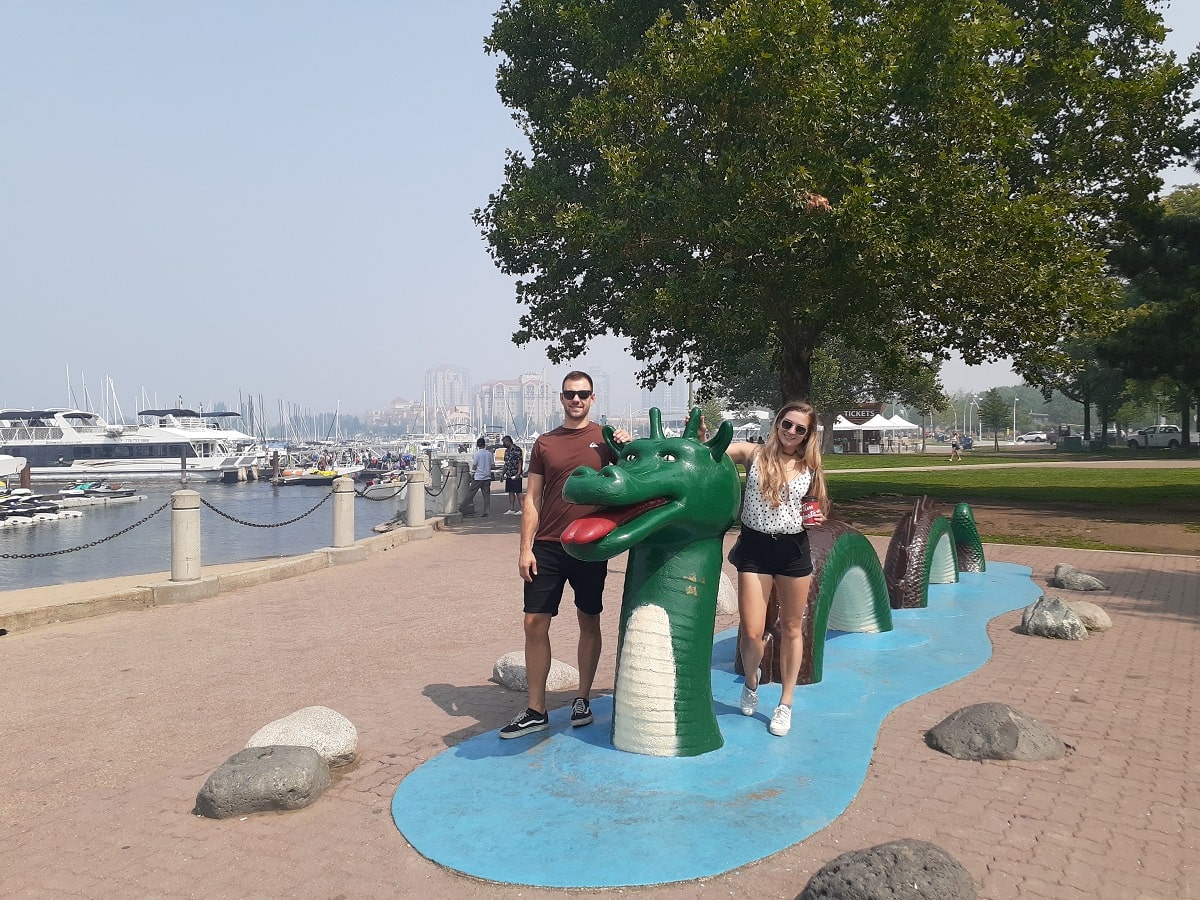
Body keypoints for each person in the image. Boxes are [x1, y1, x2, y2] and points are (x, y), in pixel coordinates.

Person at [500, 371, 631, 739]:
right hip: (548, 544)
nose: (576, 400)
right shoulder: (544, 443)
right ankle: (536, 709)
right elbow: (533, 499)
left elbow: (633, 478)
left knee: (588, 619)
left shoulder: (605, 441)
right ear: (561, 398)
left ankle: (583, 698)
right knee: (533, 623)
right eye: (570, 394)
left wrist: (626, 446)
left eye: (583, 394)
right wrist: (525, 548)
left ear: (592, 399)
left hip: (589, 545)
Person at [711, 401, 829, 737]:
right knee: (751, 630)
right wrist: (704, 438)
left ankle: (785, 703)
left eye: (799, 429)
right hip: (755, 549)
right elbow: (714, 451)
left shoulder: (810, 467)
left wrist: (819, 516)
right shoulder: (754, 454)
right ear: (778, 422)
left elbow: (818, 507)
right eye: (786, 423)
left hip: (793, 551)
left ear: (808, 435)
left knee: (792, 629)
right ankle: (751, 680)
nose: (790, 432)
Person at [459, 437, 494, 517]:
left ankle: (461, 509)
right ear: (484, 444)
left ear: (478, 445)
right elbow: (492, 465)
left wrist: (472, 473)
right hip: (487, 477)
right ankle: (486, 511)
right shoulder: (489, 454)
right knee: (486, 495)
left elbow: (474, 466)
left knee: (471, 494)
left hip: (479, 477)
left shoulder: (477, 454)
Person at [500, 435, 524, 515]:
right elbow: (506, 464)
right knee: (510, 491)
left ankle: (522, 508)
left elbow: (520, 462)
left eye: (504, 442)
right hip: (509, 474)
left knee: (518, 491)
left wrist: (518, 473)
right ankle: (511, 508)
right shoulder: (506, 451)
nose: (504, 444)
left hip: (516, 474)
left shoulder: (517, 450)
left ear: (508, 441)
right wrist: (502, 474)